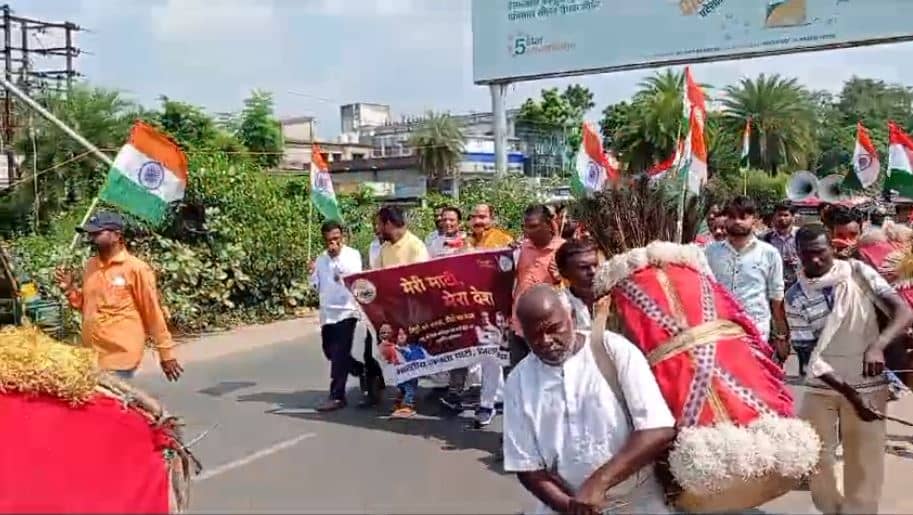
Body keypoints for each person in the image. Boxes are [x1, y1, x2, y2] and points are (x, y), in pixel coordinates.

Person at [503, 285, 676, 515]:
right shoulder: (518, 381)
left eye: (554, 328)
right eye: (534, 336)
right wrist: (571, 507)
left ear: (572, 317)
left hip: (637, 503)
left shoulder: (612, 350)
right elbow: (527, 467)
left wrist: (598, 484)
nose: (545, 341)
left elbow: (657, 429)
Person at [786, 224, 913, 514]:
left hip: (869, 385)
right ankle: (832, 509)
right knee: (818, 459)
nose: (815, 261)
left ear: (832, 248)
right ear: (798, 256)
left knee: (865, 462)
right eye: (807, 256)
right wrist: (852, 396)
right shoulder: (795, 297)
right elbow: (809, 358)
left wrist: (878, 345)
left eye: (820, 253)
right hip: (823, 386)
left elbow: (904, 312)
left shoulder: (859, 272)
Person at [54, 211, 182, 382]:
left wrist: (166, 354)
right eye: (90, 233)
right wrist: (70, 289)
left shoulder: (136, 269)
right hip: (92, 355)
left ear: (116, 235)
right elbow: (85, 306)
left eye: (97, 233)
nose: (91, 237)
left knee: (111, 405)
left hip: (121, 355)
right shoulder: (91, 265)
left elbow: (153, 312)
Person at [705, 196, 788, 360]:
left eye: (743, 217)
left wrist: (782, 336)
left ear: (754, 220)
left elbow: (777, 299)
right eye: (732, 217)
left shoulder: (769, 254)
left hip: (756, 330)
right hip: (719, 329)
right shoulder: (710, 252)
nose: (737, 222)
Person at [310, 220, 364, 412]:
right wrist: (311, 274)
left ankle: (337, 396)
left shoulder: (352, 255)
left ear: (342, 237)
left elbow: (354, 279)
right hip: (328, 312)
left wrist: (337, 263)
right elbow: (316, 286)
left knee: (339, 353)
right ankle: (362, 371)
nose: (333, 244)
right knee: (330, 352)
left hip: (347, 310)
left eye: (336, 239)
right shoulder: (320, 259)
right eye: (329, 240)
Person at [508, 204, 565, 368]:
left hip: (549, 328)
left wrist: (559, 278)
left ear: (548, 225)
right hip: (519, 325)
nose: (528, 231)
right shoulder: (520, 248)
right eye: (525, 226)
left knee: (549, 374)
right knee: (519, 375)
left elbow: (573, 288)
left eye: (533, 226)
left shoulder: (563, 249)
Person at [555, 239, 598, 330]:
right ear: (564, 273)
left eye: (595, 265)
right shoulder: (560, 306)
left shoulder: (618, 300)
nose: (593, 272)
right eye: (583, 267)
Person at [762, 201, 800, 289]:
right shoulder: (766, 238)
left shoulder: (801, 236)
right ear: (774, 217)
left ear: (793, 217)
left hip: (796, 285)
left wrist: (798, 262)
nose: (782, 218)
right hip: (773, 286)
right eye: (779, 215)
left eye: (786, 215)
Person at [390, 328, 427, 418]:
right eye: (399, 334)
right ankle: (399, 403)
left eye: (404, 334)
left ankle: (407, 406)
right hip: (400, 374)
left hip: (411, 374)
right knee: (401, 388)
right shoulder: (394, 347)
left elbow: (418, 357)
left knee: (409, 389)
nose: (402, 336)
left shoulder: (412, 347)